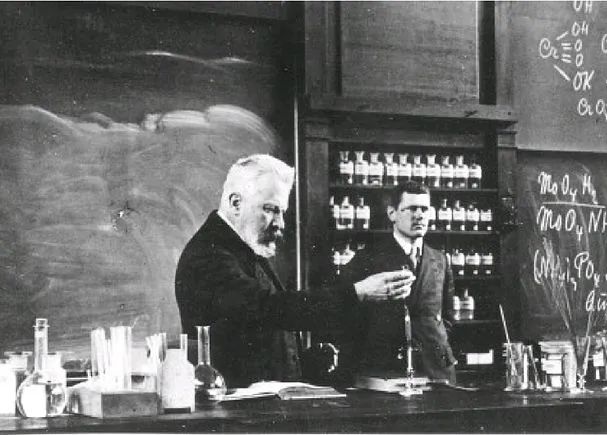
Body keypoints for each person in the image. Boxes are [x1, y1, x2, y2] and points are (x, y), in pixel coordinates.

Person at [174, 154, 415, 388]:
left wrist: (304, 361)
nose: (280, 224)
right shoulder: (209, 254)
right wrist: (357, 293)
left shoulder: (239, 248)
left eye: (282, 212)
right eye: (270, 209)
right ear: (236, 203)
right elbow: (269, 308)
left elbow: (257, 330)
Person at [339, 181, 457, 384]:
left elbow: (447, 317)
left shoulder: (440, 260)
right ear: (392, 213)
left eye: (424, 209)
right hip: (385, 372)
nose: (419, 215)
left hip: (436, 371)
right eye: (411, 209)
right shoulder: (367, 259)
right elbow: (348, 316)